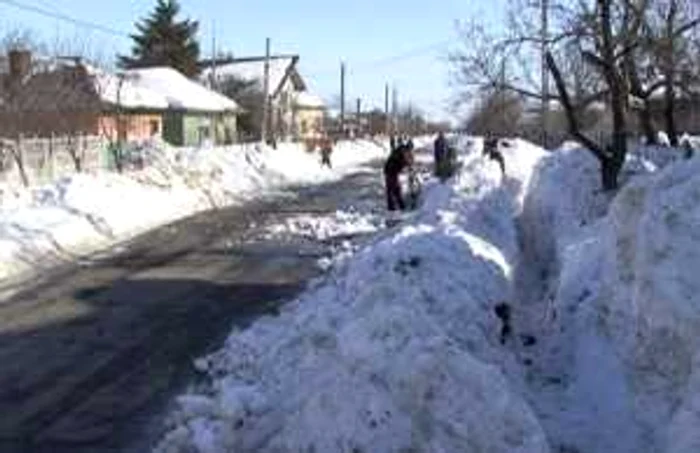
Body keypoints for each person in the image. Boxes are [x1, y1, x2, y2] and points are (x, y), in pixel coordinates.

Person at [383, 141, 413, 211]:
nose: (410, 151)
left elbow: (404, 161)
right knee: (395, 188)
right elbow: (404, 161)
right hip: (391, 171)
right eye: (410, 149)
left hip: (390, 170)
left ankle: (393, 206)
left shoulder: (400, 149)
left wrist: (407, 165)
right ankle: (398, 205)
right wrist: (408, 165)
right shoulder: (403, 151)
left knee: (391, 188)